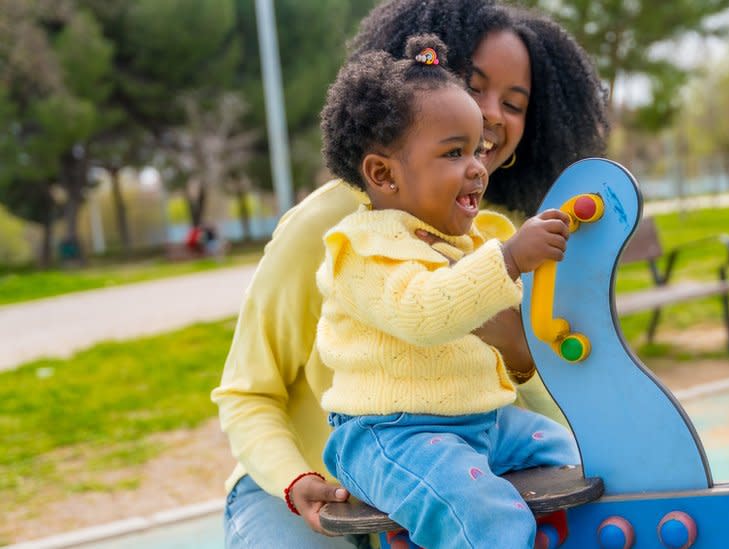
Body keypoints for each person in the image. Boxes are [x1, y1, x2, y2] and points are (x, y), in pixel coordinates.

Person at [212, 1, 607, 548]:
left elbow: (531, 392)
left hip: (444, 465)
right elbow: (246, 394)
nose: (492, 113)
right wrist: (292, 480)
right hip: (308, 485)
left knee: (575, 484)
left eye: (514, 103)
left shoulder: (492, 233)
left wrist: (520, 358)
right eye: (473, 85)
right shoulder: (337, 230)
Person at [316, 34, 578, 549]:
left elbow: (519, 334)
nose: (478, 166)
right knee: (484, 513)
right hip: (391, 436)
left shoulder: (479, 238)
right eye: (454, 152)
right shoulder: (363, 250)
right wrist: (509, 259)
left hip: (486, 422)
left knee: (579, 454)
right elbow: (423, 311)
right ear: (383, 175)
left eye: (478, 148)